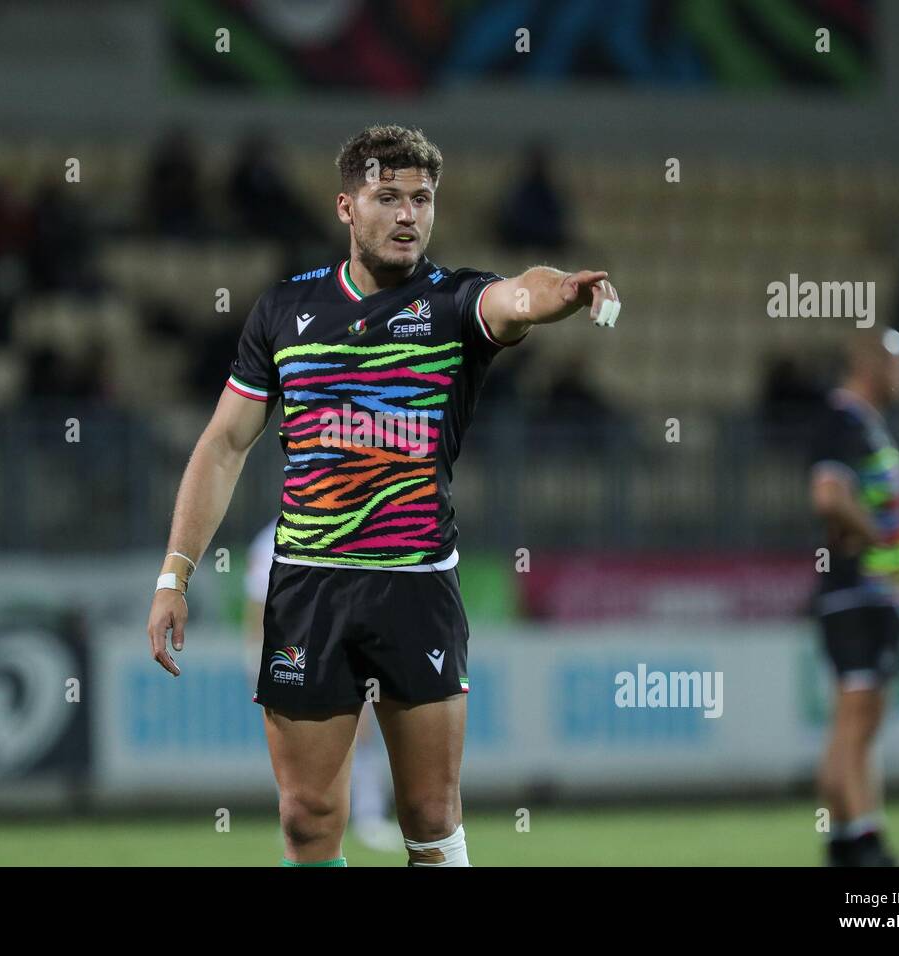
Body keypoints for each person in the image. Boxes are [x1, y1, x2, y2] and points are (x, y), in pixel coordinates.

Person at [146, 124, 621, 866]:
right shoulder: (282, 311)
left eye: (422, 199)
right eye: (388, 196)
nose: (408, 214)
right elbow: (224, 443)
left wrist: (557, 292)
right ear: (346, 206)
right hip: (308, 586)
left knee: (430, 818)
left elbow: (517, 296)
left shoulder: (456, 302)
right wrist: (176, 572)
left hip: (415, 586)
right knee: (307, 817)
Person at [807, 328, 899, 867]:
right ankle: (869, 852)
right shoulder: (844, 420)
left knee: (855, 725)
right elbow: (828, 494)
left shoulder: (866, 426)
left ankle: (847, 848)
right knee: (857, 724)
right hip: (857, 594)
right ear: (874, 366)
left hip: (865, 597)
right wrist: (877, 538)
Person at [242, 520, 402, 852]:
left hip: (354, 641)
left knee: (363, 728)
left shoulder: (358, 520)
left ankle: (369, 814)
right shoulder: (268, 540)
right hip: (294, 648)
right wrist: (255, 657)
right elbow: (258, 604)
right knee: (293, 740)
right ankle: (293, 817)